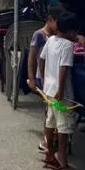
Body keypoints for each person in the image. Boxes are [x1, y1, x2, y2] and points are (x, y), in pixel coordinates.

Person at [38, 10, 80, 170]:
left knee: (51, 121)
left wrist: (43, 78)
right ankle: (61, 159)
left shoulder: (51, 40)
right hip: (61, 93)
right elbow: (63, 69)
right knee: (64, 125)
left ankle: (49, 153)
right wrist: (61, 89)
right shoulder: (68, 46)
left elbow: (41, 59)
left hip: (49, 89)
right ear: (71, 32)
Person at [27, 8, 59, 154]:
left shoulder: (57, 35)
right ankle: (47, 141)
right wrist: (32, 79)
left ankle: (52, 139)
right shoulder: (39, 35)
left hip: (53, 77)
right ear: (50, 20)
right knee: (48, 110)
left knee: (52, 110)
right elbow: (31, 58)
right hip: (42, 78)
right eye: (57, 22)